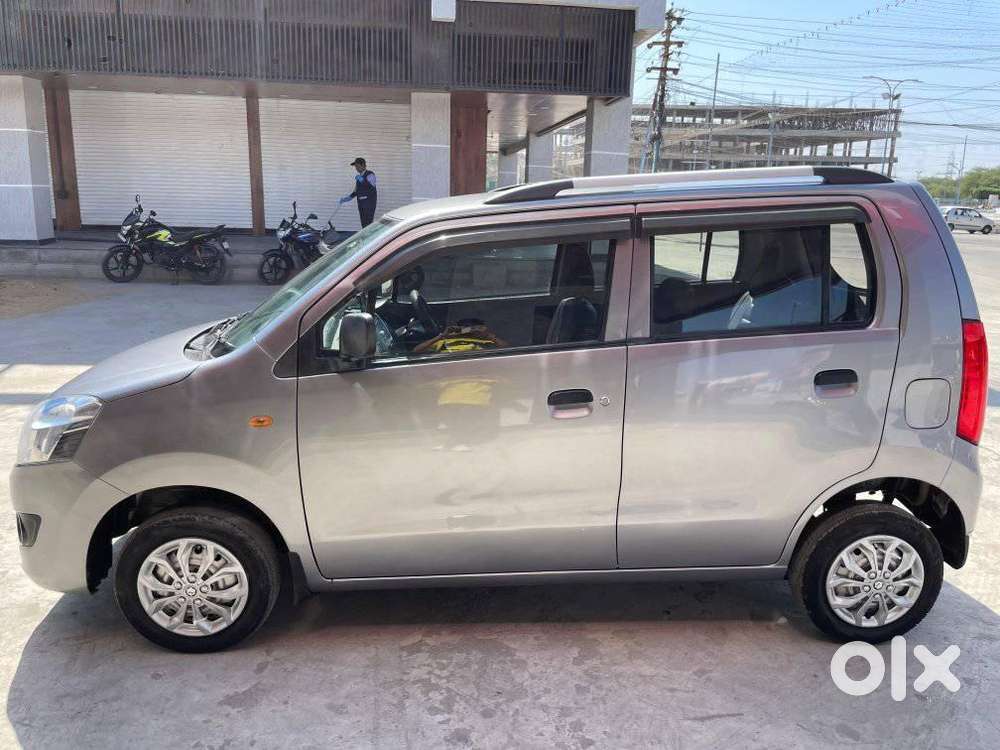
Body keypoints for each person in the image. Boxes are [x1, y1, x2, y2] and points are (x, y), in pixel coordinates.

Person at [339, 157, 377, 227]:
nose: (356, 168)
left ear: (363, 165)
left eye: (357, 166)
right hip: (361, 204)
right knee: (363, 224)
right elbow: (356, 191)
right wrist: (348, 198)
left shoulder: (370, 174)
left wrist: (362, 180)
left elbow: (372, 187)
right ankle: (365, 237)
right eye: (355, 166)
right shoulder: (359, 178)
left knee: (368, 223)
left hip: (369, 204)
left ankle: (369, 237)